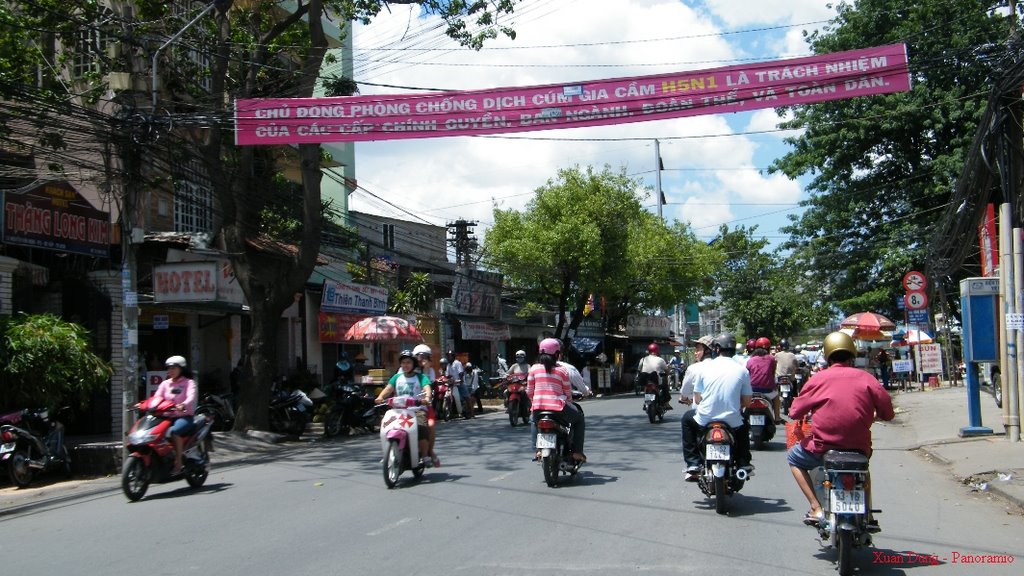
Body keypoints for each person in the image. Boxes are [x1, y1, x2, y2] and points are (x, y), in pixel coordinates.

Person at [787, 331, 895, 529]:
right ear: (852, 355)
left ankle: (815, 507)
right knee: (864, 471)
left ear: (827, 355)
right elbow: (888, 413)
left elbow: (794, 412)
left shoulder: (818, 379)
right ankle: (868, 514)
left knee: (793, 459)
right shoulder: (867, 378)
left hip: (822, 447)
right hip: (859, 448)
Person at [681, 333, 752, 482]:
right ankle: (743, 463)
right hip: (732, 421)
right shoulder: (742, 370)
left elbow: (697, 399)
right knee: (744, 424)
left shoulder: (703, 369)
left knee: (687, 419)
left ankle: (693, 463)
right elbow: (747, 402)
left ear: (717, 349)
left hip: (705, 419)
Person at [528, 338, 586, 462]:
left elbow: (529, 391)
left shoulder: (533, 369)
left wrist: (535, 402)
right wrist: (569, 401)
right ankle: (577, 452)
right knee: (579, 419)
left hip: (538, 409)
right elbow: (567, 393)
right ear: (556, 354)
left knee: (533, 421)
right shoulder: (561, 370)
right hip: (559, 409)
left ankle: (537, 450)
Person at [376, 349, 435, 466]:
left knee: (422, 428)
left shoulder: (421, 377)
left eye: (408, 362)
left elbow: (427, 388)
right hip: (398, 410)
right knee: (386, 426)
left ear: (413, 364)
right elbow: (388, 389)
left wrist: (427, 398)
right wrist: (380, 397)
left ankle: (424, 455)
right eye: (403, 363)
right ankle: (388, 454)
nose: (405, 365)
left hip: (416, 410)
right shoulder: (396, 377)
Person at [151, 355, 198, 474]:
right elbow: (156, 397)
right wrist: (146, 404)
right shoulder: (165, 384)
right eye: (169, 368)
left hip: (183, 417)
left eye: (173, 368)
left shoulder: (189, 383)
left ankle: (179, 462)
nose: (170, 371)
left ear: (181, 369)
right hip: (165, 417)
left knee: (173, 432)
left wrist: (183, 404)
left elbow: (191, 397)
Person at [412, 344, 439, 466]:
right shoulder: (407, 369)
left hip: (424, 406)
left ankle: (429, 451)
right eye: (418, 356)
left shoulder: (430, 371)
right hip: (406, 406)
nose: (421, 359)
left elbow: (430, 385)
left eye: (424, 356)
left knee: (431, 425)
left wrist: (426, 370)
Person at [746, 337, 780, 421]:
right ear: (768, 348)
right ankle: (777, 418)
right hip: (768, 391)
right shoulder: (772, 359)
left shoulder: (750, 360)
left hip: (752, 391)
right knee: (776, 397)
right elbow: (772, 373)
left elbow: (748, 375)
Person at [638, 342, 672, 410]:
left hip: (645, 380)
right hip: (656, 380)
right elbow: (666, 371)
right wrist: (668, 371)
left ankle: (646, 403)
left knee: (646, 387)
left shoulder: (643, 359)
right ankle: (666, 402)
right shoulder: (660, 360)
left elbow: (639, 369)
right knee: (665, 383)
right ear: (657, 350)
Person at [445, 350, 471, 419]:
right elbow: (447, 375)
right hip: (452, 384)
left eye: (449, 356)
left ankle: (470, 411)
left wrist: (460, 380)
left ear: (453, 356)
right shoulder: (448, 365)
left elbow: (461, 373)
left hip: (460, 383)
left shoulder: (457, 363)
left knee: (466, 397)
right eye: (447, 356)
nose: (448, 357)